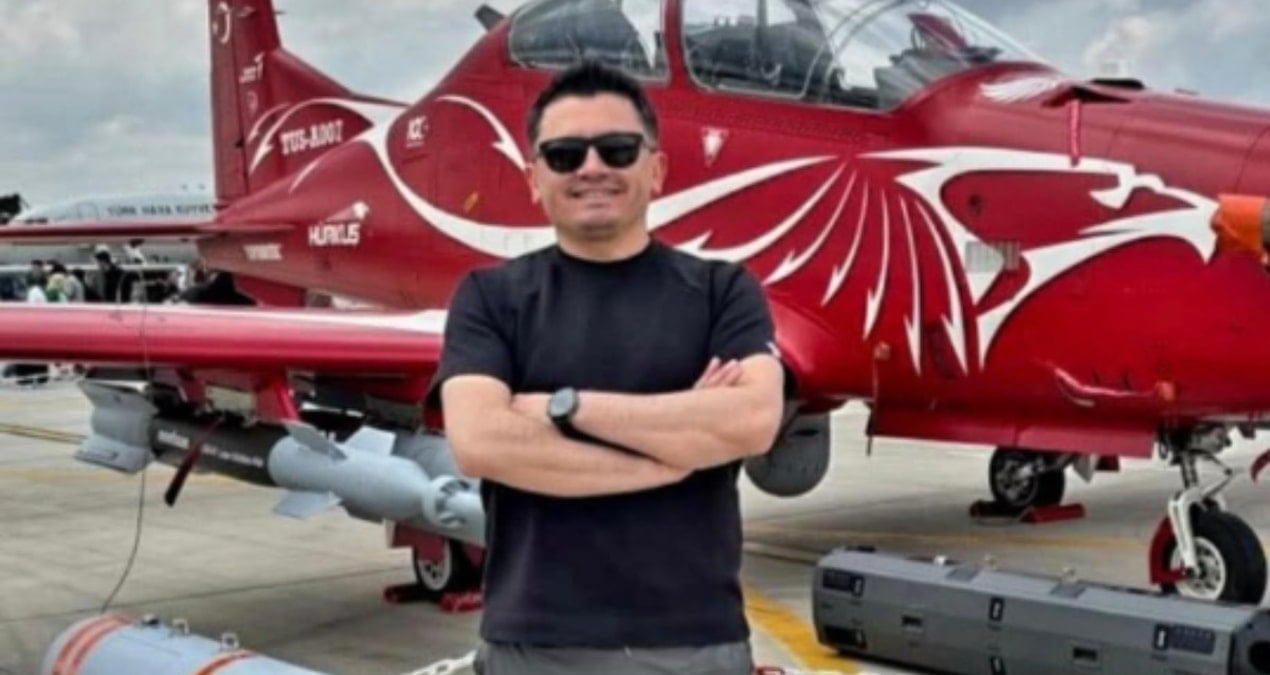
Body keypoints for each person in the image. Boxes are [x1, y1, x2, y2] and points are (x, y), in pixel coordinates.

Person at [432, 61, 785, 675]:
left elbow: (751, 421)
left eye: (617, 149)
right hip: (533, 647)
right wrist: (674, 455)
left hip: (696, 646)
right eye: (565, 155)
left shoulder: (723, 291)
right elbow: (481, 441)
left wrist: (563, 408)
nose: (592, 167)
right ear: (534, 179)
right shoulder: (489, 297)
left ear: (656, 169)